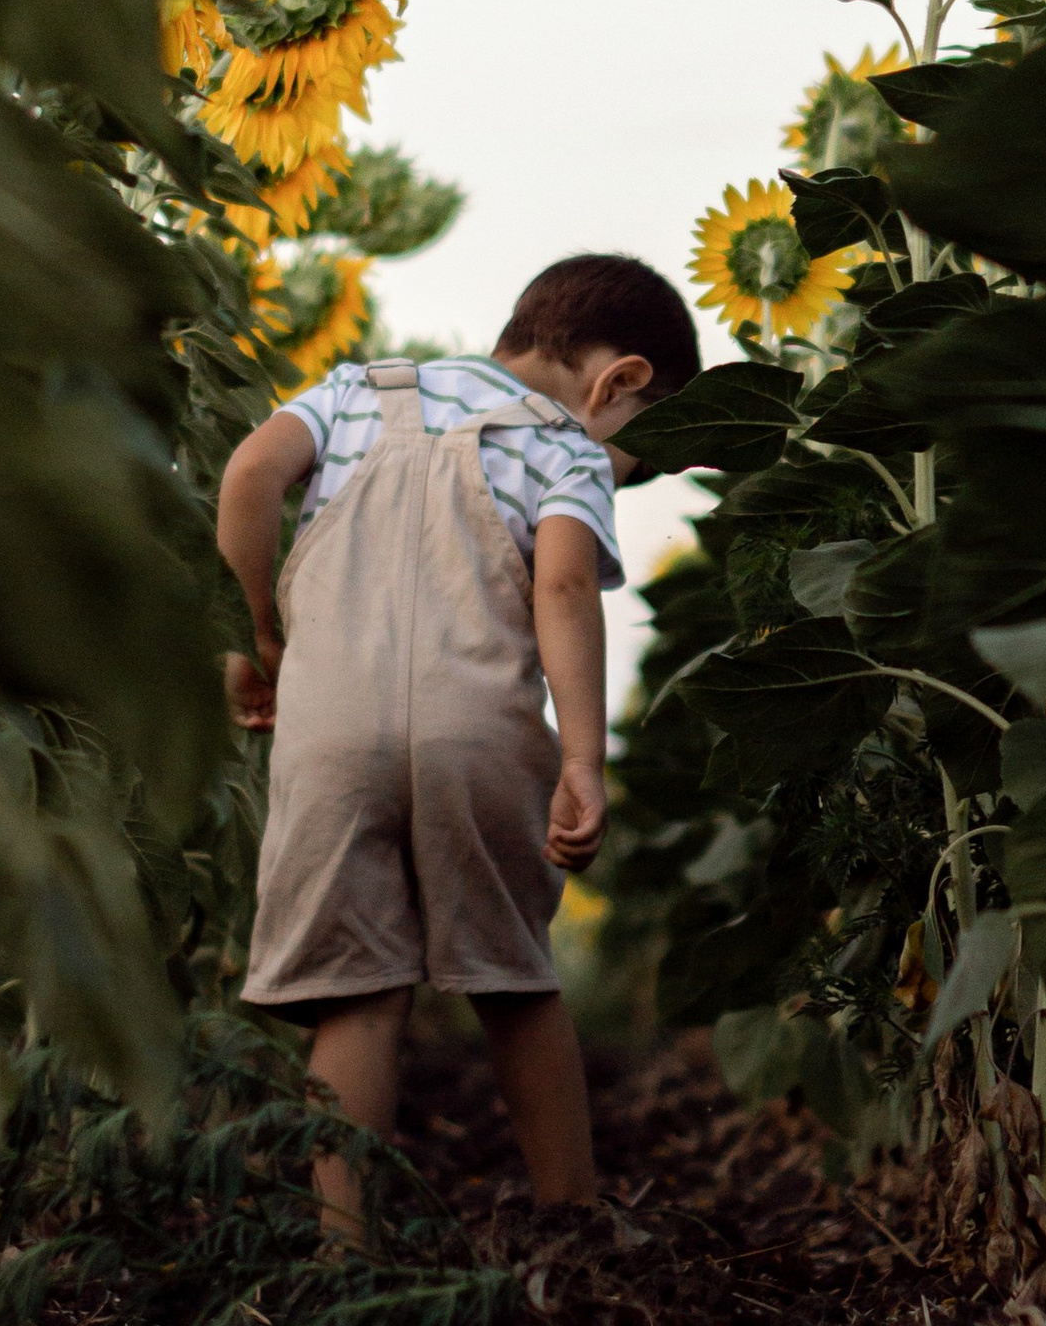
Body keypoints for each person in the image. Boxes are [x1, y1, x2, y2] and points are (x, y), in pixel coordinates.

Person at [219, 251, 700, 1223]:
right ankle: (572, 1215)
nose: (619, 471)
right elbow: (563, 589)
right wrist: (579, 759)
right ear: (620, 383)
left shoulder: (357, 391)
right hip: (475, 735)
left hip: (329, 735)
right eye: (634, 455)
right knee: (514, 979)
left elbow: (250, 474)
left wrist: (258, 633)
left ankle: (342, 1244)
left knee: (357, 993)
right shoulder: (564, 448)